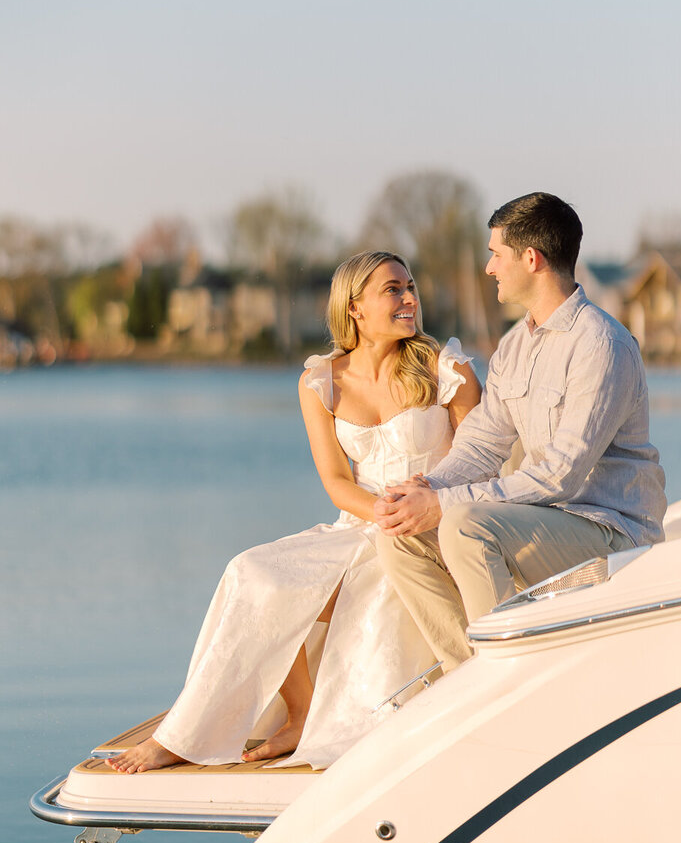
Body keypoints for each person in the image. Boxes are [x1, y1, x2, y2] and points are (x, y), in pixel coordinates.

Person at [107, 250, 481, 773]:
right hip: (363, 521)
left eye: (411, 286)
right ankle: (276, 717)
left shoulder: (447, 369)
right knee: (254, 573)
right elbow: (334, 481)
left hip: (430, 523)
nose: (410, 299)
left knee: (361, 587)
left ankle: (344, 717)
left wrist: (424, 507)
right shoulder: (320, 381)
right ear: (354, 308)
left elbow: (477, 462)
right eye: (393, 290)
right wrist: (380, 510)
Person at [375, 192, 667, 672]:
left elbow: (559, 478)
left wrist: (446, 504)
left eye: (496, 254)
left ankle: (506, 678)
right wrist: (427, 488)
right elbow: (482, 442)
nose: (489, 268)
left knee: (466, 525)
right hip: (544, 522)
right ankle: (467, 674)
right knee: (399, 534)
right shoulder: (515, 345)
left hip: (611, 532)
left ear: (531, 259)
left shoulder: (602, 344)